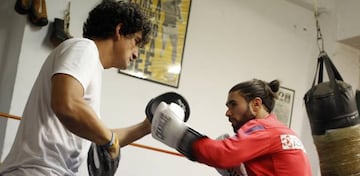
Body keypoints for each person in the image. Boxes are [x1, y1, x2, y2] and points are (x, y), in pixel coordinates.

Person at [0, 1, 152, 175]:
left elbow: (100, 137)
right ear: (119, 31)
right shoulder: (84, 48)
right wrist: (110, 142)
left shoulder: (91, 65)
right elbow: (67, 104)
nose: (136, 54)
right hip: (37, 171)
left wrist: (146, 126)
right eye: (136, 41)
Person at [149, 79, 312, 176]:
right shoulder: (283, 131)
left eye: (233, 105)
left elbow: (221, 154)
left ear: (256, 104)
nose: (228, 113)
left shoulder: (263, 129)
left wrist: (177, 134)